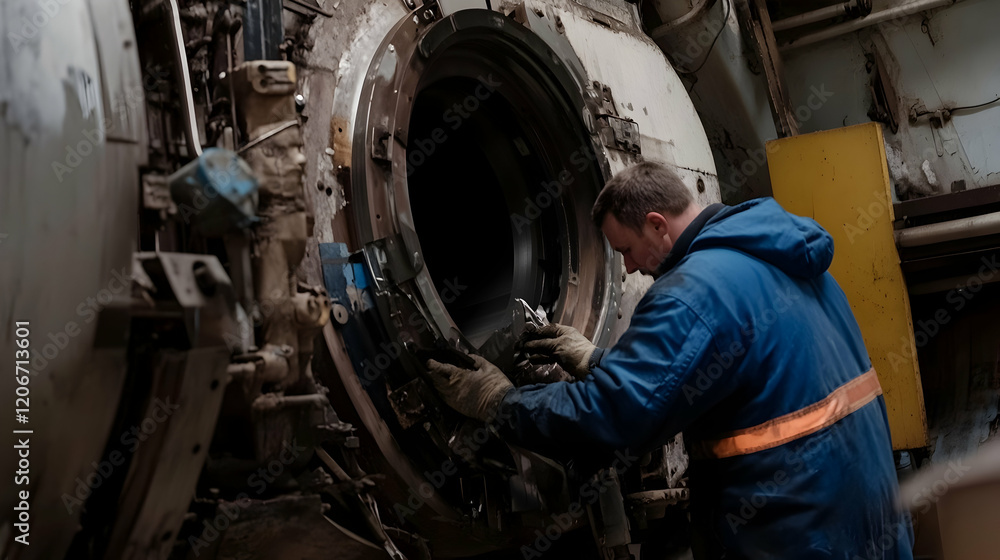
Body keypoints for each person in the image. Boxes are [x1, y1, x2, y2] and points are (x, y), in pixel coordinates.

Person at [425, 161, 913, 559]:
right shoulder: (779, 252)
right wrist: (599, 360)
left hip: (795, 530)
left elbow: (615, 416)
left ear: (657, 224)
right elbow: (732, 370)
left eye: (626, 250)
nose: (629, 267)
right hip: (870, 514)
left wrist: (499, 401)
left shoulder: (690, 293)